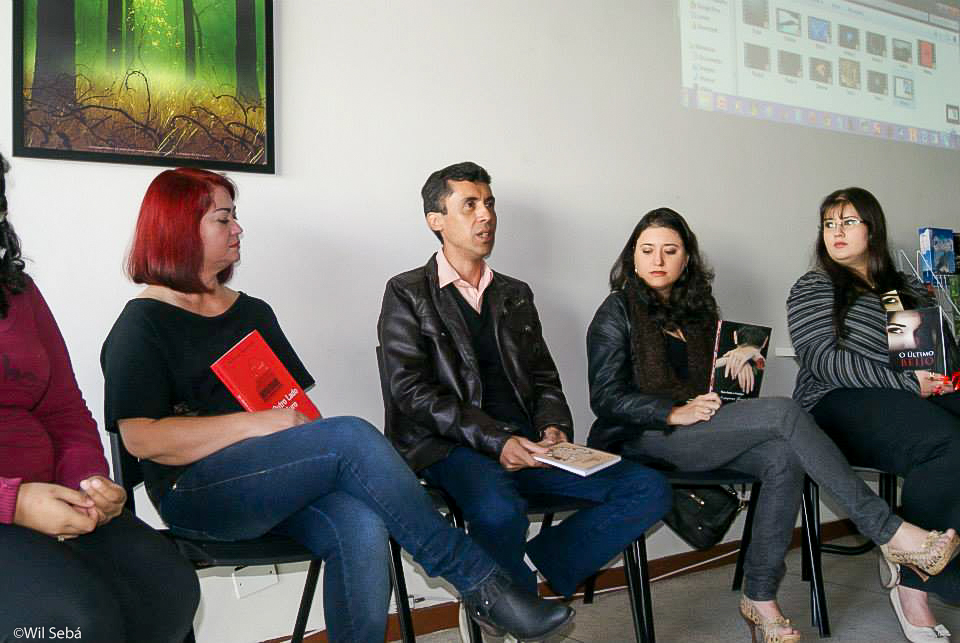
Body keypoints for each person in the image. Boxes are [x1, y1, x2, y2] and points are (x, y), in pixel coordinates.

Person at [99, 167, 573, 643]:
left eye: (234, 217)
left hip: (273, 486)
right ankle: (482, 585)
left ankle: (465, 597)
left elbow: (296, 414)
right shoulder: (143, 324)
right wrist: (252, 425)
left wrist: (284, 427)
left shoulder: (251, 312)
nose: (238, 229)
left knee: (361, 523)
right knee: (349, 435)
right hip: (197, 494)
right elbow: (142, 438)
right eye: (224, 220)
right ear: (180, 231)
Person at [586, 207, 959, 643]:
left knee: (783, 457)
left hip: (699, 426)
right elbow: (606, 398)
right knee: (785, 413)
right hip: (642, 435)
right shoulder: (616, 311)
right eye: (647, 250)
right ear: (632, 257)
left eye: (670, 251)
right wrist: (670, 411)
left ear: (687, 259)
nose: (658, 260)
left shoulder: (698, 312)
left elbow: (716, 388)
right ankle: (889, 532)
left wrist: (742, 357)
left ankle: (759, 599)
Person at [377, 161, 672, 607]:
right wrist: (498, 441)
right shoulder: (407, 292)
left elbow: (542, 376)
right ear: (435, 221)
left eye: (490, 204)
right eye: (470, 205)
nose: (486, 216)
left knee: (647, 488)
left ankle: (530, 574)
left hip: (530, 444)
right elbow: (412, 392)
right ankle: (513, 609)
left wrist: (553, 427)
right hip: (450, 447)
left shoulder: (514, 293)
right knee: (498, 510)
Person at [0, 153, 200, 642]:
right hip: (12, 509)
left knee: (169, 590)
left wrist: (87, 479)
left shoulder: (18, 292)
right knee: (71, 626)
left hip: (55, 495)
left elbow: (63, 408)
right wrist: (13, 503)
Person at [788, 187, 960, 643]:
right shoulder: (814, 286)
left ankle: (937, 560)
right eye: (829, 224)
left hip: (903, 401)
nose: (836, 233)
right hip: (833, 403)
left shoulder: (901, 290)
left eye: (848, 222)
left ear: (872, 229)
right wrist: (908, 383)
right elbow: (822, 361)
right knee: (944, 441)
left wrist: (943, 374)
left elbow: (931, 357)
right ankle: (912, 585)